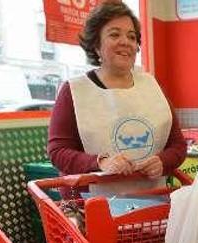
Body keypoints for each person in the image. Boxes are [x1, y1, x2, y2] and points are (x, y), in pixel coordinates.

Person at [47, 2, 186, 190]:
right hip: (93, 204)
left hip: (152, 199)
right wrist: (100, 162)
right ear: (96, 44)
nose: (125, 42)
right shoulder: (74, 91)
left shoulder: (152, 86)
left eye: (132, 36)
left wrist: (163, 161)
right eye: (114, 34)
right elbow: (58, 152)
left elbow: (178, 145)